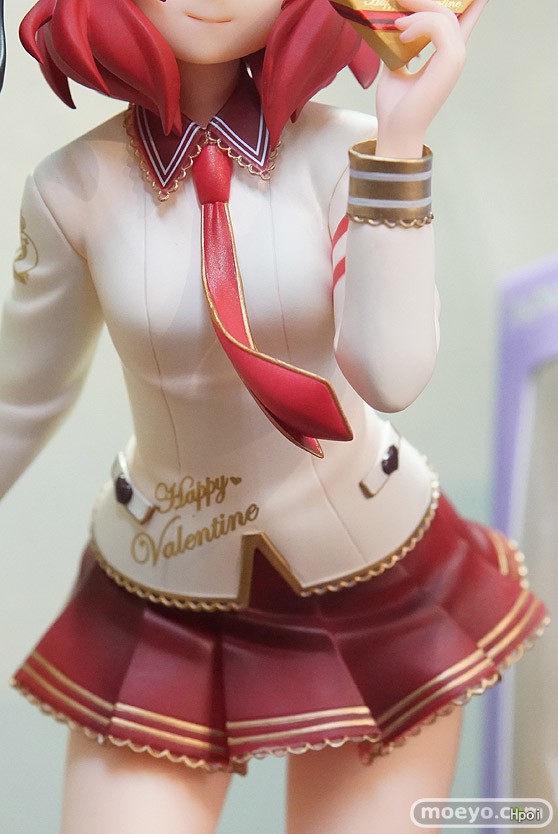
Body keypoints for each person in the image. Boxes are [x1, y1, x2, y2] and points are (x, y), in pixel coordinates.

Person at [0, 0, 547, 831]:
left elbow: (391, 372)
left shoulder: (348, 153)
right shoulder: (72, 187)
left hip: (370, 567)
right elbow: (19, 393)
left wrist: (400, 143)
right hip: (164, 574)